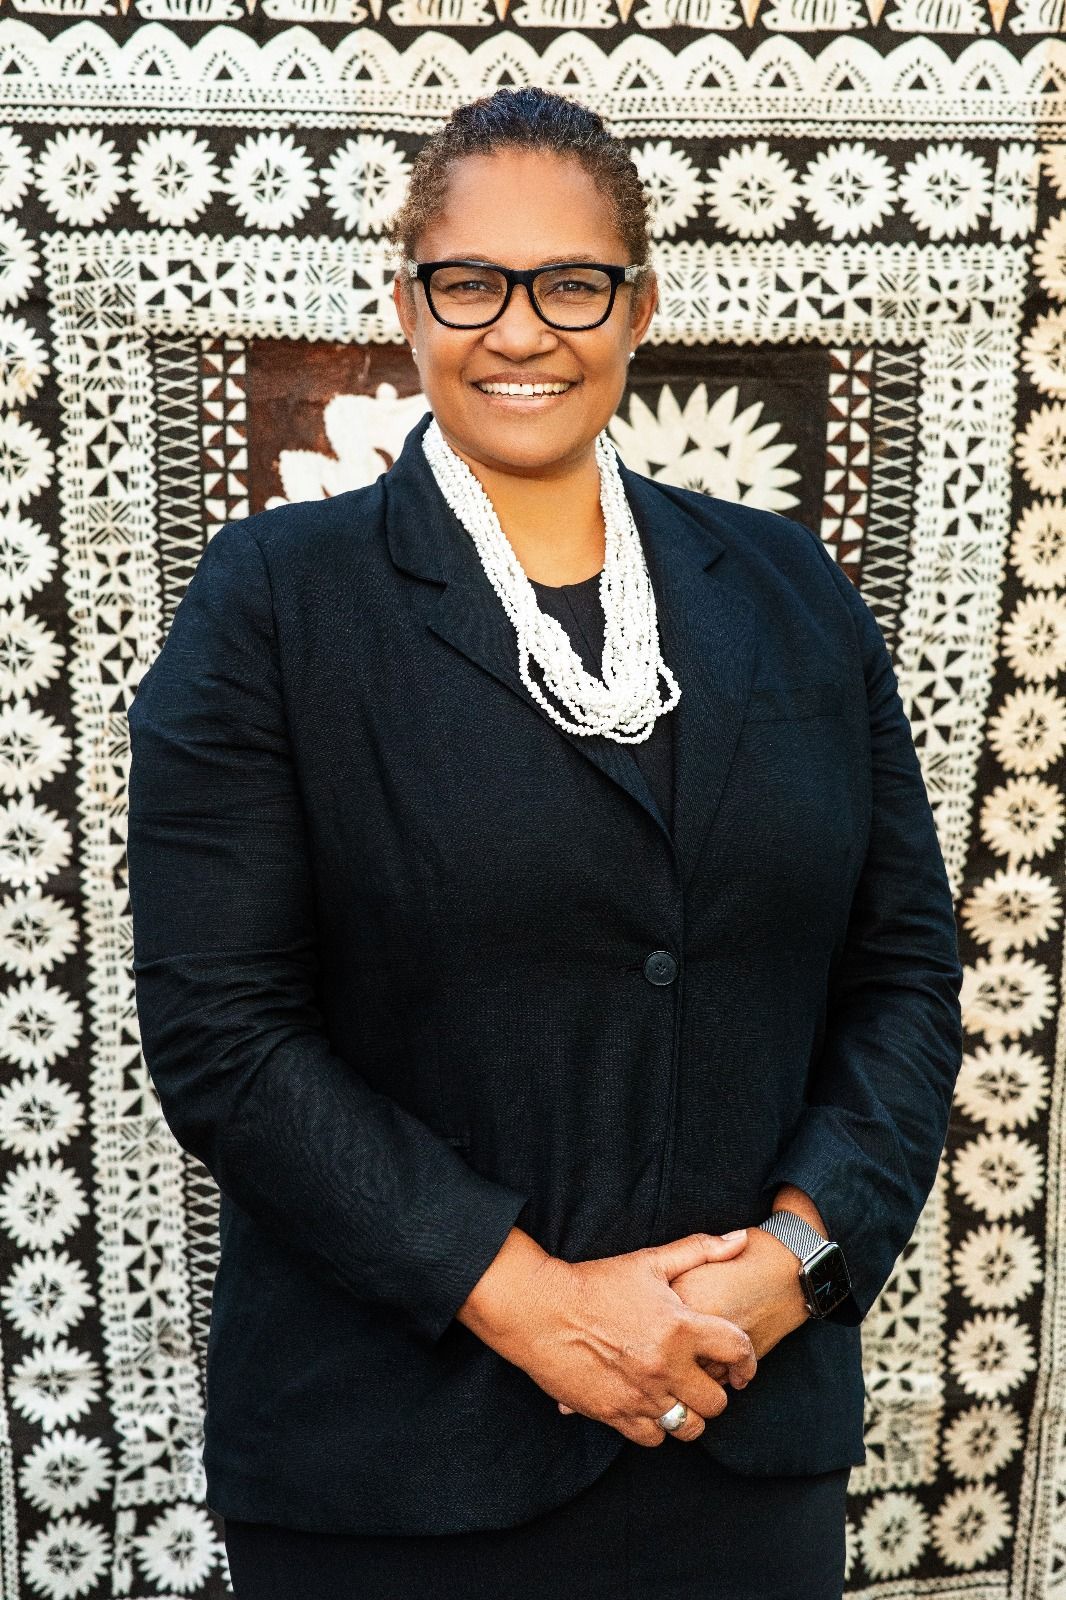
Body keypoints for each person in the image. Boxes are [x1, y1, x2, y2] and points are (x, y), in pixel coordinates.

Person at [124, 86, 964, 1599]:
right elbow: (221, 1031)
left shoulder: (787, 592)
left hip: (735, 1424)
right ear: (408, 301)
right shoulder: (274, 601)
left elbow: (902, 970)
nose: (522, 330)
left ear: (638, 306)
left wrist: (795, 1267)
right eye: (471, 283)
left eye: (570, 282)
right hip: (392, 1463)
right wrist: (530, 1305)